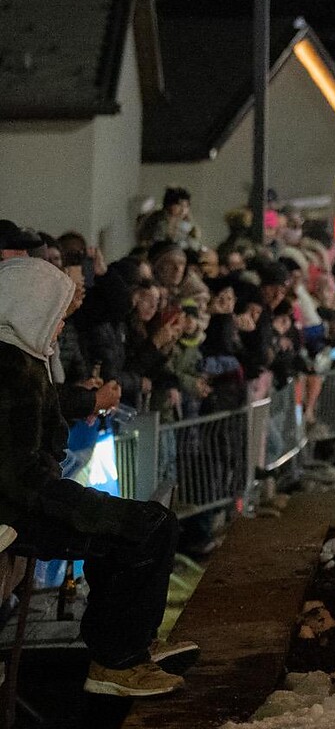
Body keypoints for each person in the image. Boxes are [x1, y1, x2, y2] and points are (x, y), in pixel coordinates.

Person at [0, 257, 195, 697]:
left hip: (28, 501)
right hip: (20, 510)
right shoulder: (9, 366)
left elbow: (40, 412)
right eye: (56, 315)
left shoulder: (20, 358)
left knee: (144, 527)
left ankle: (127, 645)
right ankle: (116, 660)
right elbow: (18, 474)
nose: (61, 328)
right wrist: (79, 505)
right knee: (148, 529)